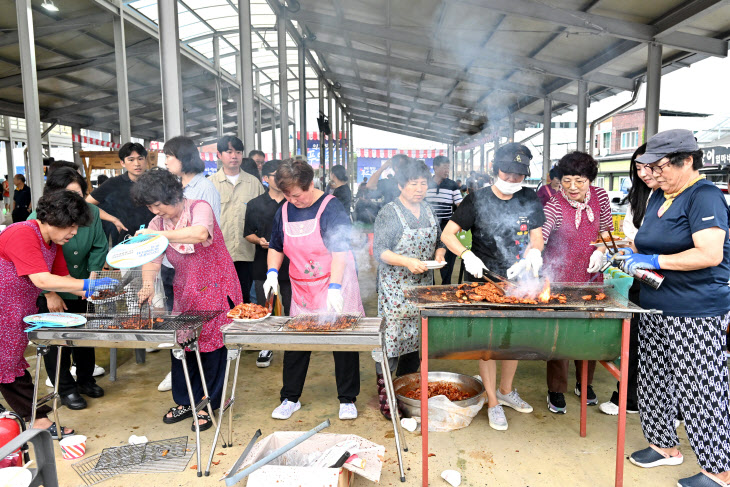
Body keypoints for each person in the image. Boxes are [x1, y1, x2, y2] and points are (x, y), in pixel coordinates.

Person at [612, 130, 730, 487]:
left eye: (661, 167)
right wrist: (626, 250)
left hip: (695, 309)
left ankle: (718, 469)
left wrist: (652, 259)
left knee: (700, 387)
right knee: (654, 379)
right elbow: (655, 240)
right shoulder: (661, 196)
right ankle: (663, 446)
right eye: (649, 167)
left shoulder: (704, 196)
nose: (653, 174)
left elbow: (709, 254)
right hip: (654, 305)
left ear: (687, 161)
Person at [441, 143, 544, 431]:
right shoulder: (476, 200)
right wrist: (466, 255)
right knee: (488, 343)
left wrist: (532, 255)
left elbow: (536, 237)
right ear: (494, 170)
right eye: (506, 173)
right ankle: (492, 401)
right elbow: (448, 234)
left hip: (519, 278)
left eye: (518, 176)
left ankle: (506, 390)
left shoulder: (529, 197)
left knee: (514, 338)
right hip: (481, 278)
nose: (512, 180)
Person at [0, 189, 116, 438]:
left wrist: (94, 292)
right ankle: (38, 421)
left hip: (15, 310)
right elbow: (42, 279)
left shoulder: (51, 242)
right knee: (8, 366)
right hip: (3, 309)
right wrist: (88, 285)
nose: (75, 232)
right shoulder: (22, 233)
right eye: (72, 226)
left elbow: (64, 278)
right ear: (55, 219)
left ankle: (30, 419)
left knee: (10, 365)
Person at [133, 169, 242, 432]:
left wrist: (158, 237)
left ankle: (208, 404)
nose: (155, 211)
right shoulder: (156, 224)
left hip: (216, 287)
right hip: (186, 291)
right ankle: (185, 400)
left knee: (212, 348)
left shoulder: (199, 208)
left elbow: (199, 234)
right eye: (150, 206)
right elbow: (152, 258)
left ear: (172, 195)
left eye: (157, 205)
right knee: (183, 345)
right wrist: (147, 284)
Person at [264, 159, 364, 421]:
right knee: (297, 340)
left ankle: (347, 398)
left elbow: (340, 250)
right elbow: (276, 245)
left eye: (297, 194)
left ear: (311, 184)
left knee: (342, 339)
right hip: (303, 286)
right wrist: (272, 272)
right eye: (287, 195)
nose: (292, 200)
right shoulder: (284, 210)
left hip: (335, 280)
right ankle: (290, 397)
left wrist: (334, 288)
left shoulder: (331, 207)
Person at [28, 168, 108, 411]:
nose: (75, 200)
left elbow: (99, 246)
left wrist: (93, 277)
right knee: (56, 343)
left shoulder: (92, 213)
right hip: (52, 288)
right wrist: (49, 293)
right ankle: (66, 388)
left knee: (85, 336)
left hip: (82, 284)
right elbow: (35, 263)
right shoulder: (37, 219)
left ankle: (85, 380)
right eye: (68, 194)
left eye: (79, 193)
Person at [374, 158, 446, 418]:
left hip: (423, 288)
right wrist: (406, 261)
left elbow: (440, 239)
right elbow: (379, 251)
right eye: (413, 184)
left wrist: (439, 254)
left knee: (416, 341)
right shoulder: (389, 212)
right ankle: (386, 397)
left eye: (423, 183)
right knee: (391, 342)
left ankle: (407, 392)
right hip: (395, 288)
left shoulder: (429, 210)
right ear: (400, 185)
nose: (419, 189)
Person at [542, 152, 613, 414]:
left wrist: (601, 250)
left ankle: (585, 383)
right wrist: (532, 251)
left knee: (589, 331)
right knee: (560, 333)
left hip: (591, 275)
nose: (573, 187)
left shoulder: (601, 197)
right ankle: (556, 388)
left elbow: (606, 231)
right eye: (567, 180)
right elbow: (543, 231)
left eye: (580, 181)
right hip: (560, 276)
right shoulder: (554, 204)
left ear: (590, 180)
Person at [156, 136, 222, 392]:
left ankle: (204, 390)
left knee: (204, 330)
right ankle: (182, 378)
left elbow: (204, 233)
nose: (166, 161)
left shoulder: (203, 189)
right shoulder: (172, 188)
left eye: (169, 156)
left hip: (200, 269)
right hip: (175, 268)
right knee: (181, 327)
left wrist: (162, 236)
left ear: (183, 157)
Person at [599, 144, 652, 416]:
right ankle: (627, 398)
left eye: (649, 166)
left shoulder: (685, 197)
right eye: (638, 168)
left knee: (663, 347)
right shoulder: (638, 197)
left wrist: (648, 253)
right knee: (635, 339)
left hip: (672, 280)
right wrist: (624, 250)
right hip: (642, 279)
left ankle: (673, 408)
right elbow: (631, 238)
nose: (643, 173)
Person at [244, 159, 292, 369]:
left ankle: (294, 343)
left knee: (292, 304)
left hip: (292, 262)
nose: (280, 179)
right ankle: (266, 345)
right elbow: (247, 233)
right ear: (265, 178)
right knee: (265, 306)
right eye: (276, 175)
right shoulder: (255, 204)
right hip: (263, 262)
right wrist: (260, 241)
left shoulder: (293, 201)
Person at [210, 136, 264, 304]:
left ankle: (242, 331)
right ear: (219, 155)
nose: (234, 156)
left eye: (238, 152)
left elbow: (262, 216)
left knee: (244, 298)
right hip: (219, 253)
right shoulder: (210, 184)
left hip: (246, 253)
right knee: (221, 299)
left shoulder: (253, 183)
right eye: (229, 151)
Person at [87, 142, 154, 246]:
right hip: (125, 239)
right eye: (131, 159)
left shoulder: (155, 181)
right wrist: (113, 220)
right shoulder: (113, 183)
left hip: (154, 236)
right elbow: (86, 204)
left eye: (140, 158)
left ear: (146, 160)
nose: (137, 163)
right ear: (122, 163)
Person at [425, 155, 463, 285]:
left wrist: (459, 224)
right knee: (428, 258)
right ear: (435, 167)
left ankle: (445, 286)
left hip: (447, 226)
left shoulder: (452, 185)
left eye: (448, 167)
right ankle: (431, 286)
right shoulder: (426, 183)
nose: (447, 170)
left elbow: (460, 206)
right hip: (428, 227)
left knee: (447, 259)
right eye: (444, 167)